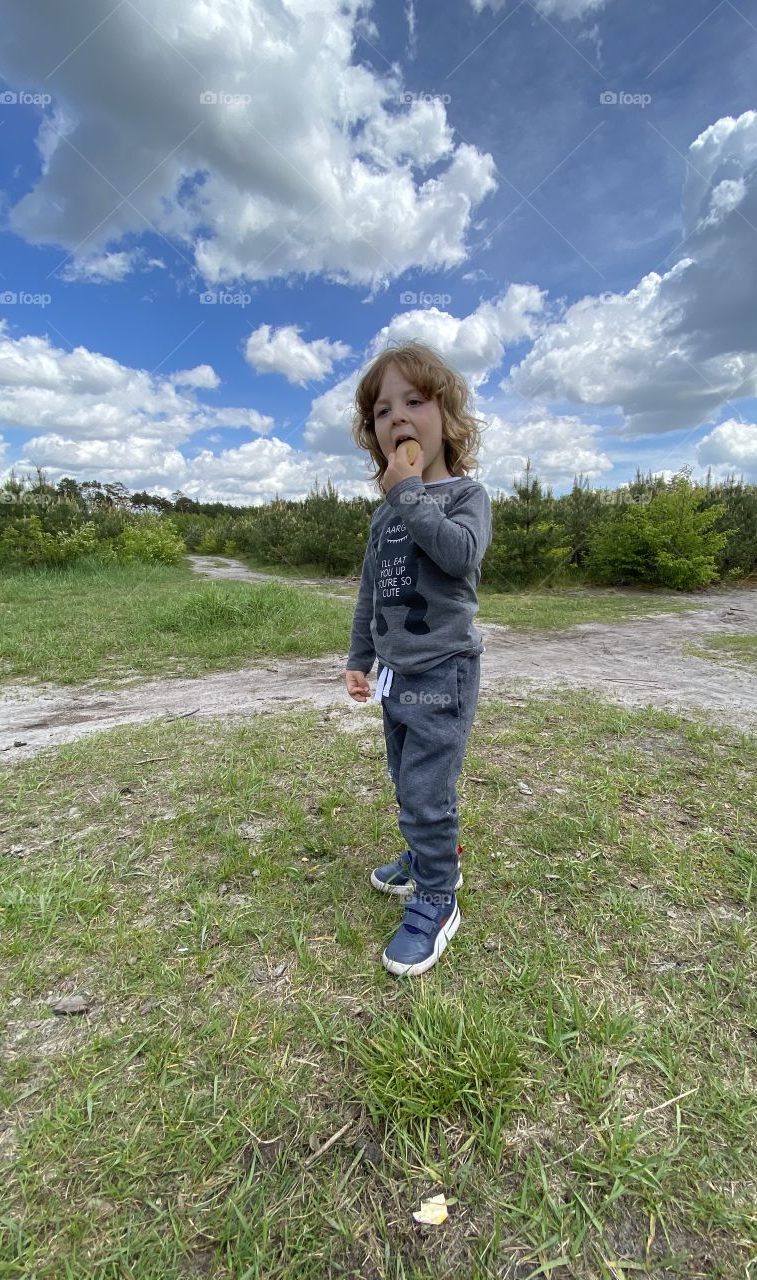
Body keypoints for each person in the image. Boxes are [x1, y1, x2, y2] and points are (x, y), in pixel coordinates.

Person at [344, 340, 492, 977]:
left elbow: (460, 556)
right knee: (406, 779)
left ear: (447, 419)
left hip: (444, 668)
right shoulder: (385, 519)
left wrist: (409, 496)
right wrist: (359, 655)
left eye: (414, 401)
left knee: (428, 788)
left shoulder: (466, 498)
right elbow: (370, 591)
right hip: (395, 673)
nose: (397, 417)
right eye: (382, 411)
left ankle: (438, 895)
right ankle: (426, 855)